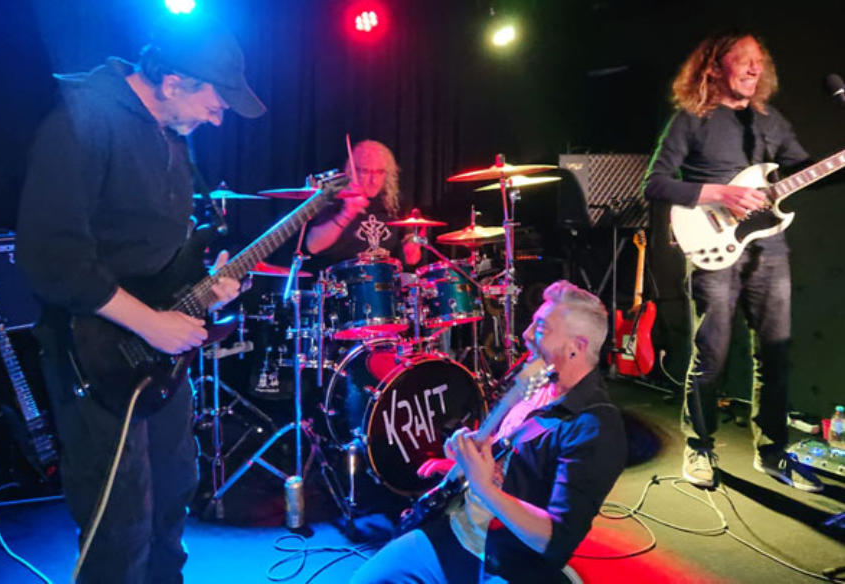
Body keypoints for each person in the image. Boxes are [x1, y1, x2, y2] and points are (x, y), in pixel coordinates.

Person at [16, 14, 263, 582]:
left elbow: (156, 257)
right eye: (214, 103)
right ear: (173, 82)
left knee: (173, 493)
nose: (218, 118)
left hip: (157, 361)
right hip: (94, 351)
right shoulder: (81, 120)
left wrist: (205, 288)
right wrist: (151, 323)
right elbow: (51, 257)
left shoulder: (171, 135)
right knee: (119, 522)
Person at [351, 280, 627, 584]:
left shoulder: (596, 427)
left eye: (541, 328)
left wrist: (486, 488)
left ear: (576, 347)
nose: (525, 335)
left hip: (504, 560)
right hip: (455, 529)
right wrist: (465, 460)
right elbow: (509, 456)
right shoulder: (537, 385)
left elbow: (556, 541)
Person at [644, 32, 822, 492]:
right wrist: (720, 193)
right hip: (711, 243)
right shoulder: (692, 119)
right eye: (743, 59)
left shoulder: (770, 122)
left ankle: (773, 451)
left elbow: (806, 174)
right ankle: (699, 445)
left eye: (759, 61)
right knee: (712, 353)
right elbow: (655, 183)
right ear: (714, 67)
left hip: (769, 249)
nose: (754, 68)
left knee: (775, 355)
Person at [305, 139, 422, 266]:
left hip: (383, 276)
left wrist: (412, 248)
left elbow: (412, 259)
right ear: (351, 171)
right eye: (366, 172)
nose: (374, 181)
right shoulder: (334, 197)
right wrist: (346, 214)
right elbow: (313, 246)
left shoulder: (395, 201)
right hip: (339, 276)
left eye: (380, 172)